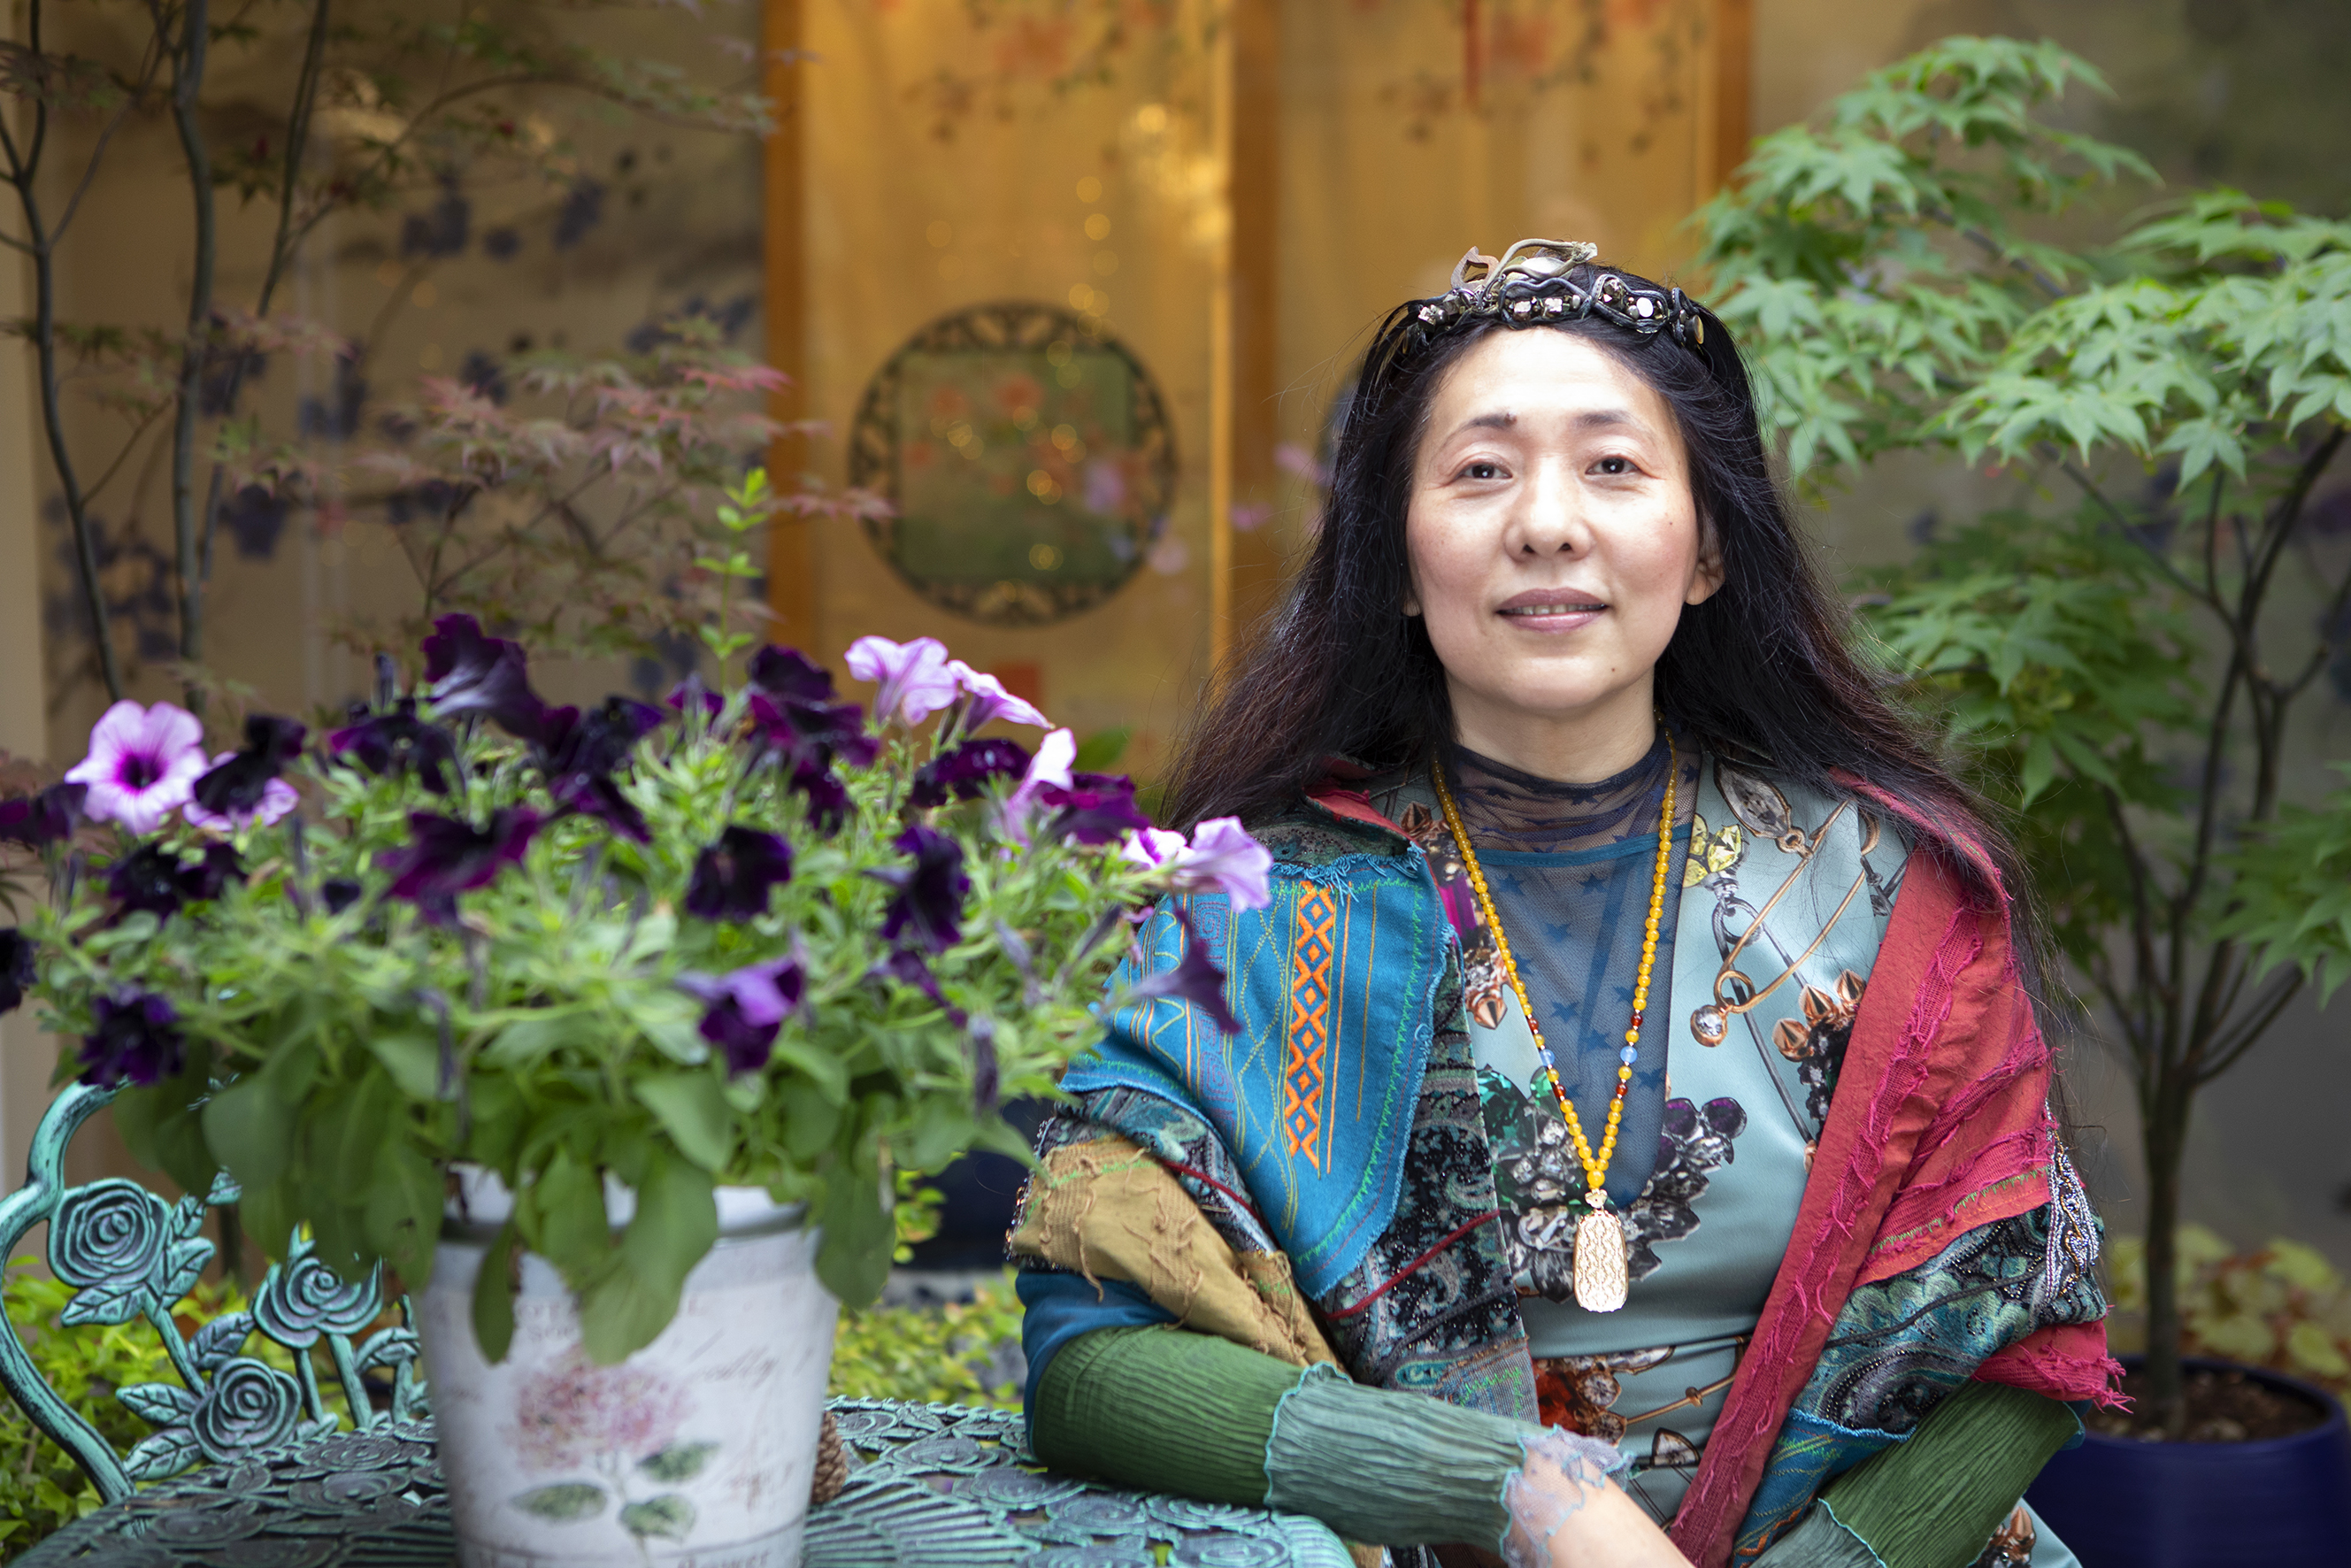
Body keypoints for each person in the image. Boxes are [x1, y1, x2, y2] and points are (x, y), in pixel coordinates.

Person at [1009, 240, 2117, 1568]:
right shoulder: (1251, 905)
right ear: (1397, 561)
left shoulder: (1883, 891)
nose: (1544, 520)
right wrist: (1523, 1492)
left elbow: (2024, 1347)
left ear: (1705, 548)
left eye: (1612, 465)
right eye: (1478, 470)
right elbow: (1092, 1365)